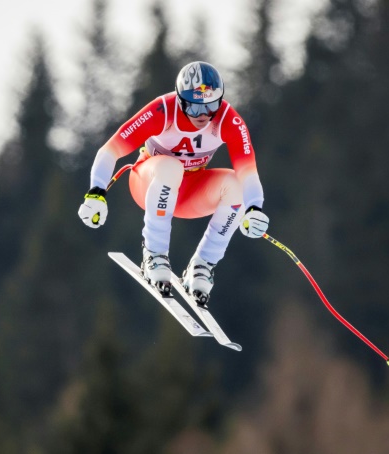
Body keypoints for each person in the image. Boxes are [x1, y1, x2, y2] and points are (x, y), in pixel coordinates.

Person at [78, 61, 269, 305]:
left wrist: (255, 208)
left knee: (236, 185)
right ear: (180, 100)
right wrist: (96, 192)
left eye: (211, 105)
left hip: (189, 193)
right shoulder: (163, 111)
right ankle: (154, 254)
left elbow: (249, 172)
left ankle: (202, 266)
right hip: (149, 182)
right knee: (171, 167)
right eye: (194, 107)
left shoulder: (227, 120)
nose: (203, 115)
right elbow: (111, 150)